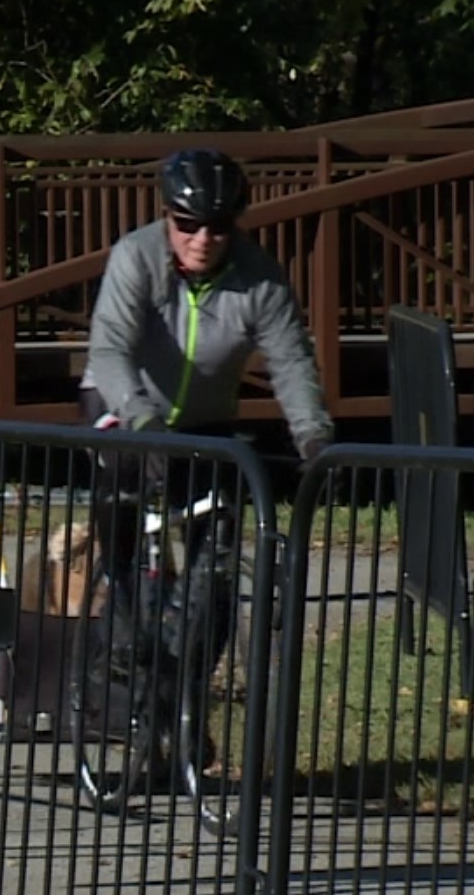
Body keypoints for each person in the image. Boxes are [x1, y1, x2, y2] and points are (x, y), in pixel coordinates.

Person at [78, 148, 333, 714]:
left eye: (218, 227)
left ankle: (182, 691)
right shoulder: (136, 257)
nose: (202, 238)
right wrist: (141, 418)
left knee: (214, 562)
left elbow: (290, 362)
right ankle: (122, 618)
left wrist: (314, 436)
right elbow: (111, 347)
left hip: (206, 418)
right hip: (125, 399)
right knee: (122, 482)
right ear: (169, 216)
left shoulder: (258, 277)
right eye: (188, 224)